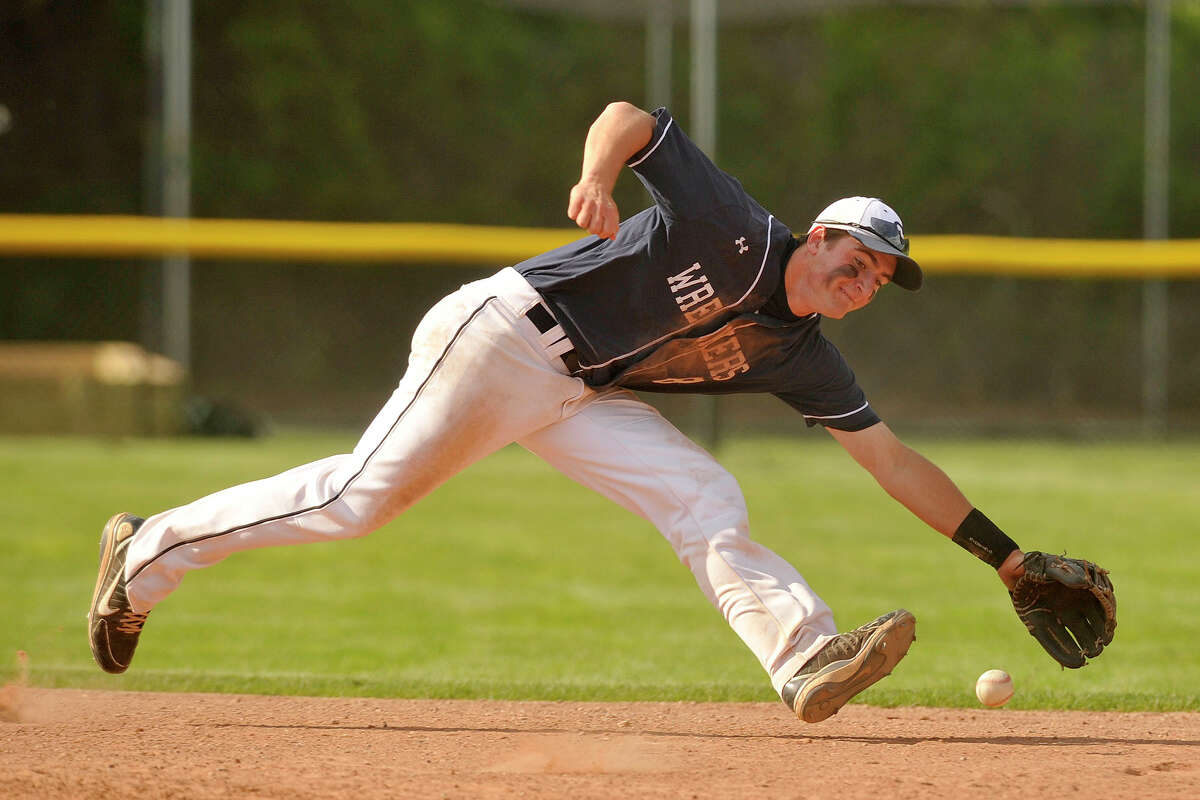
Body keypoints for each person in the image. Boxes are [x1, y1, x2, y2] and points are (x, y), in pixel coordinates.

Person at [88, 102, 1114, 723]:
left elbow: (894, 462)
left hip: (576, 388)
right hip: (505, 333)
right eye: (857, 256)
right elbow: (635, 118)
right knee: (361, 498)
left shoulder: (802, 353)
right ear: (817, 236)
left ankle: (802, 655)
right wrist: (594, 176)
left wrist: (1011, 561)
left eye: (883, 277)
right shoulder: (738, 229)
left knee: (705, 491)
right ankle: (143, 558)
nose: (865, 279)